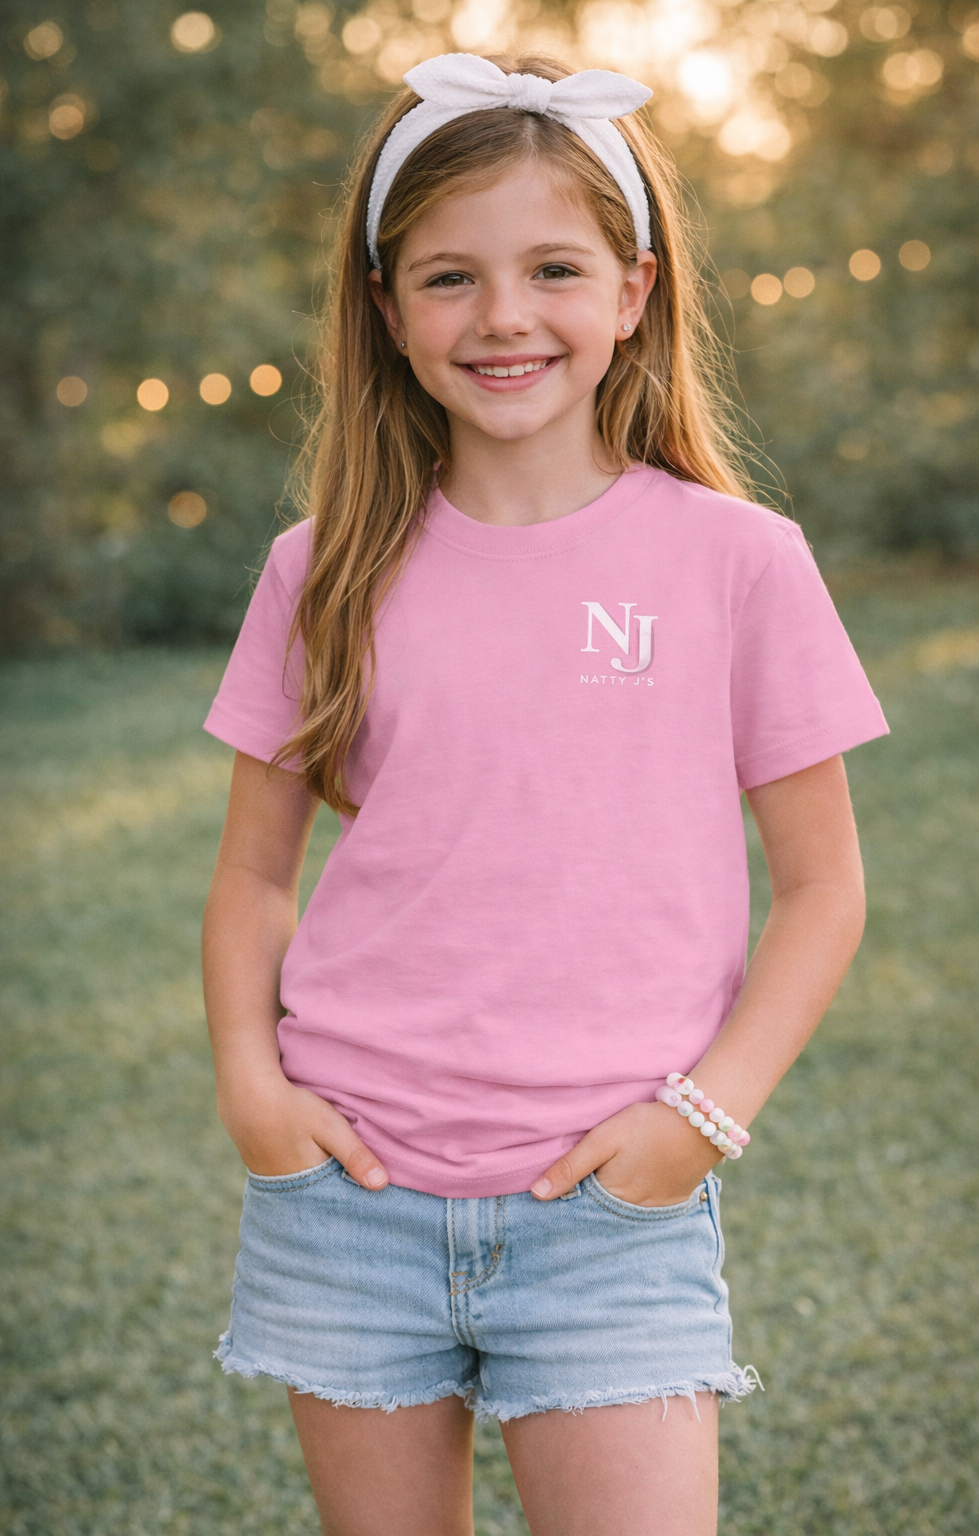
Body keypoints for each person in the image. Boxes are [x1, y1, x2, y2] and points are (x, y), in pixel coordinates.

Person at [201, 51, 888, 1536]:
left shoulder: (738, 562)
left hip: (612, 1210)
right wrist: (253, 1087)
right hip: (350, 1198)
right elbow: (255, 875)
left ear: (633, 293)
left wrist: (702, 1121)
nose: (502, 316)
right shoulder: (321, 570)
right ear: (387, 310)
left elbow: (825, 888)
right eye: (449, 277)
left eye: (554, 269)